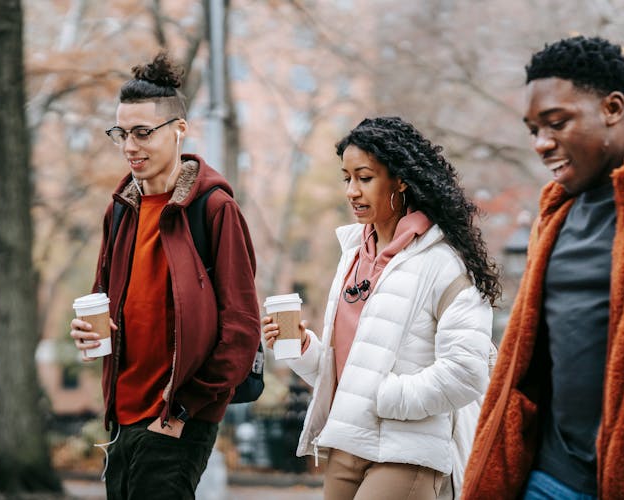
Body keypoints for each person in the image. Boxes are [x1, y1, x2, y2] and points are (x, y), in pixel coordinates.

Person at [462, 36, 624, 499]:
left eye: (557, 123)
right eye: (533, 130)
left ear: (612, 107)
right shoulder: (555, 213)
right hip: (549, 477)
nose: (542, 144)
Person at [263, 116, 501, 500]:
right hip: (345, 443)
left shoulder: (444, 263)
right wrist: (305, 348)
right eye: (347, 178)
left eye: (365, 177)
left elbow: (466, 372)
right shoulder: (353, 255)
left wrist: (386, 397)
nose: (351, 191)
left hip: (406, 452)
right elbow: (349, 369)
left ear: (401, 180)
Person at [69, 53, 261, 500]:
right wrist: (86, 330)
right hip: (122, 413)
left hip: (179, 414)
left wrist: (184, 409)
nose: (129, 146)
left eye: (142, 133)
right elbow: (105, 296)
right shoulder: (120, 209)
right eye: (121, 133)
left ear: (179, 130)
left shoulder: (213, 208)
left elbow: (241, 327)